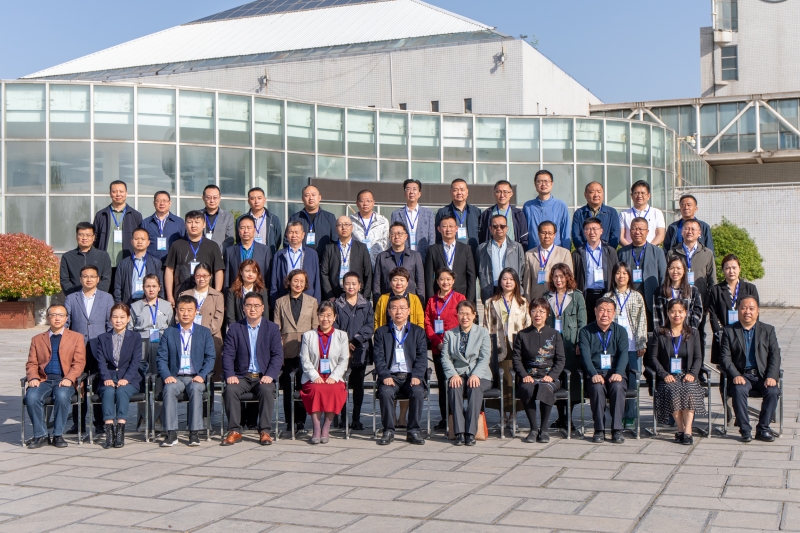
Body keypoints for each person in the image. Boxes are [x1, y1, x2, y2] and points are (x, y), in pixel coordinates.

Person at [221, 292, 283, 446]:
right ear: (243, 308)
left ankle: (265, 431)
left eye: (256, 306)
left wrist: (270, 374)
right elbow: (228, 355)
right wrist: (230, 374)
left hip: (263, 375)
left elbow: (277, 355)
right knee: (230, 390)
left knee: (267, 390)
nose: (252, 309)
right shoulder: (235, 328)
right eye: (248, 305)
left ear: (263, 308)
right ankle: (234, 430)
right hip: (242, 376)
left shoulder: (272, 328)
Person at [156, 295, 217, 447]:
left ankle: (194, 433)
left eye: (189, 310)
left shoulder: (204, 332)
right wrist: (167, 375)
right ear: (176, 311)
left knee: (196, 389)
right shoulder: (169, 332)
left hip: (195, 377)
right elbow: (161, 358)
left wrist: (202, 375)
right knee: (169, 389)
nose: (185, 313)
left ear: (196, 312)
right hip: (175, 376)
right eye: (182, 310)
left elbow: (210, 358)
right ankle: (171, 433)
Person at [720, 296, 781, 443]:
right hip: (742, 375)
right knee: (738, 390)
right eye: (744, 308)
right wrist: (735, 375)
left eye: (751, 308)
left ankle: (763, 429)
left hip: (762, 375)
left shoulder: (768, 330)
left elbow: (775, 355)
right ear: (738, 310)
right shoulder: (729, 331)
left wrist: (772, 376)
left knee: (773, 391)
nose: (747, 311)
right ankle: (745, 430)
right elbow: (725, 358)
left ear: (758, 311)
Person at [24, 304, 86, 449]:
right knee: (31, 397)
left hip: (64, 379)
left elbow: (79, 363)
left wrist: (69, 378)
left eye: (61, 315)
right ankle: (41, 435)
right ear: (47, 318)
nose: (57, 318)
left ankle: (58, 435)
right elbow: (32, 363)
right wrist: (33, 377)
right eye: (53, 315)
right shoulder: (37, 339)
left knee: (62, 396)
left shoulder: (76, 337)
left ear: (66, 318)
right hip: (43, 379)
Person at [647, 299, 706, 445]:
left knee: (689, 389)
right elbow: (653, 358)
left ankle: (688, 431)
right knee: (673, 389)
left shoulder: (693, 333)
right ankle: (680, 429)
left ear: (685, 313)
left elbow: (698, 358)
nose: (677, 315)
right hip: (668, 375)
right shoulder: (659, 332)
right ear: (668, 313)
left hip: (687, 374)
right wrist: (664, 374)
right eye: (673, 311)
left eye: (680, 311)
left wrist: (692, 374)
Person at [64, 264, 114, 434]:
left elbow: (110, 324)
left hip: (99, 347)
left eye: (92, 276)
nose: (89, 279)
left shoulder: (106, 298)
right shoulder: (71, 298)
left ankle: (100, 422)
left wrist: (108, 344)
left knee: (99, 383)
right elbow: (66, 322)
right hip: (78, 348)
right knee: (79, 384)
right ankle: (78, 423)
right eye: (85, 276)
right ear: (80, 279)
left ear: (98, 279)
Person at [708, 254, 760, 417]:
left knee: (742, 373)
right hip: (723, 338)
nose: (731, 271)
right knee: (725, 374)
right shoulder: (716, 290)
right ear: (723, 270)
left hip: (744, 338)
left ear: (739, 269)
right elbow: (712, 314)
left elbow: (755, 313)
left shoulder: (749, 288)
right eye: (727, 268)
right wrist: (720, 332)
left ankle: (740, 411)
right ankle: (729, 411)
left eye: (734, 267)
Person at [373, 295, 428, 445]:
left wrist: (417, 375)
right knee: (385, 392)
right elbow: (378, 357)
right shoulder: (381, 332)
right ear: (389, 311)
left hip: (411, 376)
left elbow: (422, 357)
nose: (399, 312)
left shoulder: (418, 332)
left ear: (409, 311)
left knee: (417, 392)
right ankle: (388, 430)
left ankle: (413, 431)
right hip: (391, 376)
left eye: (402, 308)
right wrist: (385, 375)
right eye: (394, 308)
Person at [513, 297, 566, 443]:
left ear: (547, 314)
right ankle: (533, 429)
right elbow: (516, 359)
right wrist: (524, 375)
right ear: (530, 313)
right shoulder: (522, 334)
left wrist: (552, 375)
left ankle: (544, 429)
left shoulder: (554, 334)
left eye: (542, 311)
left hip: (549, 377)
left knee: (545, 388)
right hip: (529, 376)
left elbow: (561, 359)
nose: (538, 314)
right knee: (527, 388)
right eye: (534, 311)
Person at [484, 268, 531, 430]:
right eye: (505, 279)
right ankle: (503, 416)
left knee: (515, 381)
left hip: (516, 345)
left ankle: (513, 416)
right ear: (500, 282)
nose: (508, 282)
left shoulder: (523, 302)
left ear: (516, 282)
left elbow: (528, 325)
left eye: (511, 279)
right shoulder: (491, 302)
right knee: (503, 380)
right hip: (498, 345)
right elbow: (486, 326)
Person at [273, 269, 319, 435]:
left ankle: (301, 422)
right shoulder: (280, 302)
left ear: (305, 284)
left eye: (301, 281)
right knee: (287, 387)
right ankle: (289, 421)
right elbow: (276, 329)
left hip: (306, 350)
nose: (298, 284)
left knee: (303, 386)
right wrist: (278, 353)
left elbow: (315, 327)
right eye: (295, 281)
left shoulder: (312, 301)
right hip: (287, 349)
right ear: (289, 282)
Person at [578, 297, 629, 444]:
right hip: (595, 372)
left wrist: (619, 372)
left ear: (614, 313)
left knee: (618, 387)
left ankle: (617, 429)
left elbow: (624, 354)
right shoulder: (585, 332)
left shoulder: (621, 331)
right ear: (595, 311)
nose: (605, 314)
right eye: (601, 310)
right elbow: (585, 357)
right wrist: (593, 374)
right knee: (597, 388)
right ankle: (599, 429)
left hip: (615, 373)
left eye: (609, 311)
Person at [603, 263, 648, 429]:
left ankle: (630, 416)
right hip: (614, 348)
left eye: (624, 273)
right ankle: (617, 415)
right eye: (618, 273)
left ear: (629, 276)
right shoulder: (608, 297)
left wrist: (641, 343)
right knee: (616, 380)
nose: (621, 276)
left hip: (632, 346)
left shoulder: (637, 296)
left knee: (633, 381)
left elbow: (642, 321)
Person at [441, 301, 492, 446]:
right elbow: (445, 358)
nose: (465, 317)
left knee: (475, 387)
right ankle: (459, 432)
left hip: (480, 374)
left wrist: (476, 375)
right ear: (457, 315)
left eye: (468, 314)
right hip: (459, 374)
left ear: (474, 315)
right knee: (454, 387)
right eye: (461, 313)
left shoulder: (482, 332)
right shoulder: (450, 334)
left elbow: (484, 357)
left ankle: (470, 432)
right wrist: (453, 374)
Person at [92, 303, 143, 449]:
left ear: (128, 319)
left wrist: (126, 379)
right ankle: (109, 431)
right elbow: (101, 362)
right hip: (108, 377)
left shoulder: (135, 337)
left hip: (129, 378)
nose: (118, 320)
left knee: (122, 392)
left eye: (122, 317)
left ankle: (120, 430)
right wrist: (106, 378)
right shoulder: (103, 338)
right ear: (110, 319)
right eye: (115, 317)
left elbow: (135, 361)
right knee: (108, 392)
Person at [299, 301, 350, 444]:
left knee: (334, 390)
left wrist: (334, 376)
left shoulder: (342, 336)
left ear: (335, 317)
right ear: (317, 316)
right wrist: (314, 376)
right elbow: (305, 359)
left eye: (329, 315)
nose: (325, 319)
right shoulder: (308, 335)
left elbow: (344, 359)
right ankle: (316, 428)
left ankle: (326, 428)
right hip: (313, 377)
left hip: (333, 376)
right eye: (322, 315)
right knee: (316, 390)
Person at [544, 263, 587, 430]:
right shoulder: (547, 296)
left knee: (571, 380)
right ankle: (560, 416)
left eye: (562, 276)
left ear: (568, 277)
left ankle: (569, 417)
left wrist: (580, 343)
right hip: (553, 344)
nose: (558, 280)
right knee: (556, 378)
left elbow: (582, 322)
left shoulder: (576, 296)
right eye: (555, 276)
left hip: (571, 344)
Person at [128, 274, 173, 430]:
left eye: (154, 286)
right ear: (143, 288)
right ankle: (143, 417)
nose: (151, 289)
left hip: (161, 344)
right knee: (142, 381)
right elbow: (130, 329)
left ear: (159, 288)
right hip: (141, 344)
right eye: (148, 286)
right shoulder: (135, 306)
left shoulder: (166, 306)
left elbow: (171, 327)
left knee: (160, 380)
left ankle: (159, 418)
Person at [424, 268, 466, 430]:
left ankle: (458, 415)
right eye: (442, 279)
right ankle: (445, 417)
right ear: (437, 281)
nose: (445, 282)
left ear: (453, 281)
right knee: (443, 384)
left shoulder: (459, 298)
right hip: (439, 348)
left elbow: (465, 321)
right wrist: (436, 342)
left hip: (456, 349)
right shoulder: (431, 301)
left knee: (456, 382)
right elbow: (428, 323)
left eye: (448, 279)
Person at [333, 272, 375, 431]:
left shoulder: (367, 304)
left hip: (360, 349)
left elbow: (369, 326)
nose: (350, 287)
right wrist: (345, 343)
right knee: (342, 384)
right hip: (340, 350)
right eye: (347, 283)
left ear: (360, 286)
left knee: (358, 385)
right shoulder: (337, 304)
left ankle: (356, 418)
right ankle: (343, 418)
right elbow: (334, 325)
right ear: (343, 286)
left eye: (354, 284)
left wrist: (355, 341)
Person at [666, 219, 716, 347]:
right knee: (675, 335)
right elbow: (667, 277)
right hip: (676, 302)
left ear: (699, 233)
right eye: (686, 228)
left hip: (698, 303)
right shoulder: (672, 252)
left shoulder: (707, 253)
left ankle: (698, 360)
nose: (689, 231)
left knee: (698, 335)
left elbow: (712, 280)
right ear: (681, 232)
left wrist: (707, 302)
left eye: (693, 229)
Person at [164, 210, 225, 304]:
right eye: (190, 222)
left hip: (207, 297)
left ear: (204, 224)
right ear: (185, 225)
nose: (193, 225)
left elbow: (218, 270)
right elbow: (169, 270)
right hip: (181, 295)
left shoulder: (212, 246)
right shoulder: (176, 245)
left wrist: (216, 294)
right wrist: (169, 296)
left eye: (197, 222)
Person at [617, 217, 666, 333]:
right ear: (630, 231)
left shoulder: (657, 252)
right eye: (634, 229)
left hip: (650, 298)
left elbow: (663, 276)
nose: (637, 232)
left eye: (641, 229)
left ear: (647, 231)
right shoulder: (622, 252)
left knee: (650, 333)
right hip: (628, 299)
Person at [92, 180, 143, 286]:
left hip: (127, 263)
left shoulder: (135, 215)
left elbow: (141, 240)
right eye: (114, 191)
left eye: (121, 191)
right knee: (105, 292)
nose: (118, 194)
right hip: (105, 264)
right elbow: (95, 240)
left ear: (126, 193)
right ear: (110, 193)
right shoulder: (101, 215)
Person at [179, 263, 225, 381]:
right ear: (194, 277)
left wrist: (203, 334)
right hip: (188, 336)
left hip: (211, 336)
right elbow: (178, 316)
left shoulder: (218, 296)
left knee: (212, 375)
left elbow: (218, 319)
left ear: (210, 276)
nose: (201, 279)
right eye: (198, 276)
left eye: (205, 276)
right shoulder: (185, 294)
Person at [571, 218, 619, 323]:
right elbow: (573, 277)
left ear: (601, 231)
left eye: (595, 229)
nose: (592, 232)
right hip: (586, 295)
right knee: (586, 324)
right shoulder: (577, 253)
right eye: (588, 229)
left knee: (604, 324)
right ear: (584, 232)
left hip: (605, 294)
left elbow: (616, 274)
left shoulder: (610, 251)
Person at [425, 215, 477, 303]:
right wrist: (431, 300)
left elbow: (471, 277)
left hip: (461, 296)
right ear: (439, 229)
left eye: (451, 226)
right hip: (440, 297)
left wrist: (469, 301)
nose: (448, 229)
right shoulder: (432, 250)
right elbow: (429, 278)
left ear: (456, 228)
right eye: (444, 226)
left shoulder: (466, 249)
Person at [476, 214, 527, 304]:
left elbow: (522, 269)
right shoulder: (482, 248)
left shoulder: (517, 247)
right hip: (491, 291)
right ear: (490, 228)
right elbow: (478, 270)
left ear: (506, 228)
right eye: (495, 226)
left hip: (511, 291)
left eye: (502, 226)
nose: (499, 229)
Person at [320, 216, 372, 302]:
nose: (343, 227)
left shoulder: (362, 247)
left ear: (352, 227)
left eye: (347, 224)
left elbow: (368, 273)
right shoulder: (329, 248)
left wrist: (365, 297)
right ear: (336, 228)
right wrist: (330, 295)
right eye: (340, 225)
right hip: (335, 294)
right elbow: (324, 273)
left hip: (356, 295)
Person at [270, 221, 321, 306]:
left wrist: (317, 302)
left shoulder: (312, 254)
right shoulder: (279, 255)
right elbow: (274, 281)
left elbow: (317, 280)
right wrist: (273, 301)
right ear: (287, 235)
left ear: (303, 235)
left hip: (307, 298)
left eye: (297, 232)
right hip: (284, 297)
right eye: (291, 232)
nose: (294, 235)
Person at [373, 222, 424, 304]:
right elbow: (376, 283)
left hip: (409, 302)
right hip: (388, 302)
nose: (396, 236)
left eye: (400, 234)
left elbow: (420, 282)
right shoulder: (381, 257)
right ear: (389, 236)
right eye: (393, 234)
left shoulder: (415, 256)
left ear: (406, 236)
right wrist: (378, 303)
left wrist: (420, 303)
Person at [522, 221, 573, 301]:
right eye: (543, 233)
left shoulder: (564, 253)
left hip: (557, 298)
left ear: (554, 235)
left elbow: (569, 279)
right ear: (538, 234)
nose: (547, 236)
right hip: (536, 299)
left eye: (550, 233)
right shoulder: (529, 254)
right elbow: (527, 281)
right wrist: (527, 300)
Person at [435, 179, 482, 264]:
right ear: (450, 192)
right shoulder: (442, 212)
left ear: (467, 192)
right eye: (455, 190)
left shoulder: (476, 212)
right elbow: (438, 237)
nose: (459, 193)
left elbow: (481, 235)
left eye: (462, 189)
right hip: (450, 255)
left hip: (472, 254)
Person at [114, 228, 164, 305]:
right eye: (136, 239)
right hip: (129, 303)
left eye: (143, 239)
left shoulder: (156, 263)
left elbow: (161, 287)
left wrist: (159, 304)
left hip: (149, 303)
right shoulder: (123, 263)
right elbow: (117, 288)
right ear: (131, 241)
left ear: (148, 242)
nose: (139, 241)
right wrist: (119, 304)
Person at [522, 170, 570, 250]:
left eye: (546, 181)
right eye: (539, 181)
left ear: (552, 184)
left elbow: (565, 232)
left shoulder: (561, 205)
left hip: (555, 252)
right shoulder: (528, 206)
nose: (543, 184)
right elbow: (524, 232)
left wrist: (566, 253)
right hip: (533, 252)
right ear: (535, 184)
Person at [390, 179, 436, 262]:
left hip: (423, 257)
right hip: (402, 257)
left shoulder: (428, 213)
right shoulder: (396, 214)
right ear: (404, 193)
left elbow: (432, 238)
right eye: (408, 189)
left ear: (419, 193)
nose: (411, 192)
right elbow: (392, 237)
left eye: (414, 189)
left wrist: (430, 259)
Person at [60, 222, 111, 295]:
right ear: (76, 236)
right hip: (75, 297)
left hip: (98, 297)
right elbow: (65, 280)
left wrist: (97, 296)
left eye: (88, 235)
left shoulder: (103, 256)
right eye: (81, 235)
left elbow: (106, 279)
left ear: (93, 237)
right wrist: (75, 297)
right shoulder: (67, 257)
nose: (84, 238)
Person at [653, 257, 703, 332]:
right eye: (672, 268)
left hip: (687, 332)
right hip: (666, 333)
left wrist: (690, 330)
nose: (675, 271)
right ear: (668, 270)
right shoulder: (660, 291)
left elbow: (697, 313)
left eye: (678, 268)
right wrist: (661, 332)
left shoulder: (693, 291)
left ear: (684, 270)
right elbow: (656, 316)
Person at [225, 214, 273, 289]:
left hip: (258, 292)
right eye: (242, 228)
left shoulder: (265, 251)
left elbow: (268, 277)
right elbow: (227, 277)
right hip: (237, 292)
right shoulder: (230, 251)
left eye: (249, 228)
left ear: (254, 230)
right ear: (238, 230)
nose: (246, 231)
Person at [285, 185, 338, 253]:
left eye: (313, 195)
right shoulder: (295, 218)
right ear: (302, 199)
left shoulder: (329, 217)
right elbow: (287, 240)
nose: (311, 198)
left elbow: (335, 241)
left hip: (323, 258)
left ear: (319, 197)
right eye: (307, 195)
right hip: (300, 258)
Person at [478, 180, 528, 249]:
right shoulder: (487, 214)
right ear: (494, 194)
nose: (502, 195)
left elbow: (523, 237)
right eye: (499, 192)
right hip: (492, 251)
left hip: (513, 251)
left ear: (511, 194)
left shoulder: (518, 214)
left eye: (505, 192)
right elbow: (482, 237)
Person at [571, 181, 620, 250]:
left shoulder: (612, 212)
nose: (596, 195)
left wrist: (608, 252)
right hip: (584, 252)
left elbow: (615, 235)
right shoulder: (579, 213)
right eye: (592, 192)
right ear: (585, 195)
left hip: (606, 253)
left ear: (603, 194)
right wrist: (584, 251)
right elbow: (576, 235)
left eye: (599, 192)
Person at [140, 191, 186, 263]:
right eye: (158, 201)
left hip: (172, 263)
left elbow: (184, 243)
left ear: (170, 203)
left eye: (164, 201)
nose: (162, 203)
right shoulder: (146, 223)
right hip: (151, 263)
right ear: (154, 203)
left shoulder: (179, 222)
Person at [619, 180, 666, 247]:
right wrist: (631, 249)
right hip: (630, 251)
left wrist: (647, 249)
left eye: (643, 193)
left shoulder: (657, 213)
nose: (639, 196)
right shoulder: (624, 214)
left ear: (648, 196)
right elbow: (621, 236)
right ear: (631, 196)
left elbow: (660, 235)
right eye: (636, 193)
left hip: (651, 251)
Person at [225, 260, 270, 327]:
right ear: (241, 272)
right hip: (238, 328)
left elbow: (265, 315)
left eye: (254, 271)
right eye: (247, 271)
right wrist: (237, 330)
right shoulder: (232, 291)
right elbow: (230, 316)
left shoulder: (262, 291)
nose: (250, 274)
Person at [350, 189, 389, 267]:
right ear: (357, 203)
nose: (365, 204)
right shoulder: (350, 221)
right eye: (362, 201)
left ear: (373, 202)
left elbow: (386, 243)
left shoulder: (382, 221)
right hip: (357, 262)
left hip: (377, 262)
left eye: (368, 201)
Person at [242, 187, 282, 254]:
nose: (256, 201)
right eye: (252, 198)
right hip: (248, 256)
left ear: (264, 200)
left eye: (259, 198)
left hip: (268, 257)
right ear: (248, 201)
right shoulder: (241, 220)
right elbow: (239, 239)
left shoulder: (273, 219)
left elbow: (277, 241)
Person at [201, 184, 236, 251]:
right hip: (200, 253)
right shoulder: (197, 215)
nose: (212, 200)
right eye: (208, 197)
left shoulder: (228, 216)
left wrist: (218, 253)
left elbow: (229, 239)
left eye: (215, 197)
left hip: (220, 254)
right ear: (203, 198)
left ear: (219, 198)